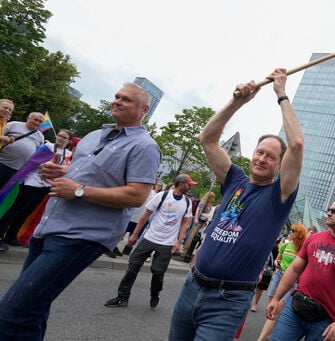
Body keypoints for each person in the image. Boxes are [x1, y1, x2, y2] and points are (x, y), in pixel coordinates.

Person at [0, 82, 161, 339]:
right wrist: (60, 172)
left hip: (81, 236)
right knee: (32, 310)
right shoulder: (94, 136)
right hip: (50, 226)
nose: (117, 101)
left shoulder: (145, 146)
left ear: (144, 109)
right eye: (117, 96)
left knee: (13, 312)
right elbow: (84, 175)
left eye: (126, 99)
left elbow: (137, 195)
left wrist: (79, 190)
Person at [168, 68, 304, 341]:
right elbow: (206, 138)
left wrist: (281, 93)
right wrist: (237, 102)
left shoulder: (281, 195)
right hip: (192, 285)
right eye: (259, 152)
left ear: (279, 166)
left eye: (271, 157)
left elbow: (297, 144)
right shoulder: (234, 179)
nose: (262, 159)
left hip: (229, 299)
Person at [267, 201, 335, 341]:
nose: (328, 213)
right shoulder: (313, 239)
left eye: (334, 211)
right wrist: (276, 298)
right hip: (295, 308)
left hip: (325, 320)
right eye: (328, 210)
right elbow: (293, 269)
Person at [104, 174, 196, 308]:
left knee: (158, 272)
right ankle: (122, 297)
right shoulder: (162, 196)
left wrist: (178, 242)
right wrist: (135, 234)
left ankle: (155, 293)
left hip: (167, 243)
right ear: (181, 183)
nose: (190, 187)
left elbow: (185, 224)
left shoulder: (187, 203)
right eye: (189, 184)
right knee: (133, 266)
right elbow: (145, 216)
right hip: (150, 237)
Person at [0, 129, 73, 249]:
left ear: (69, 141)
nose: (60, 138)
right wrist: (44, 166)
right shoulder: (48, 147)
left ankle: (12, 236)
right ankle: (1, 234)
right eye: (59, 136)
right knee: (17, 208)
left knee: (28, 210)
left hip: (47, 185)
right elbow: (32, 162)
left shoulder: (68, 154)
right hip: (32, 182)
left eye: (64, 137)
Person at [258, 223, 307, 341]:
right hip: (280, 275)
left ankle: (261, 338)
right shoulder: (285, 245)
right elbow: (277, 259)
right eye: (290, 230)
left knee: (275, 310)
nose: (290, 232)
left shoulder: (302, 250)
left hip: (292, 281)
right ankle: (274, 331)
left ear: (299, 234)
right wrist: (277, 263)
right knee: (272, 306)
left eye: (293, 231)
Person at [0, 112, 45, 187]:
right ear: (28, 118)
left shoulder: (41, 136)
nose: (37, 122)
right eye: (35, 120)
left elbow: (37, 155)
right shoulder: (14, 124)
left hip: (17, 170)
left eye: (40, 122)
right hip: (2, 162)